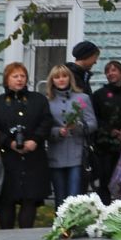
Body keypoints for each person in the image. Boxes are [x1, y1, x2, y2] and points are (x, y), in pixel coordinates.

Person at [0, 62, 53, 229]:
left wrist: (35, 140)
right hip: (7, 158)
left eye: (22, 76)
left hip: (33, 159)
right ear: (7, 79)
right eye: (15, 76)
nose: (19, 79)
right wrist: (9, 142)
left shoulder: (38, 100)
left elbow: (46, 121)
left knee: (29, 200)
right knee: (7, 201)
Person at [45, 62, 98, 207]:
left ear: (70, 78)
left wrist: (77, 127)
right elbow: (44, 127)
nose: (61, 79)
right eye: (57, 77)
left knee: (74, 197)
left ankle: (74, 227)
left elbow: (92, 124)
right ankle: (62, 228)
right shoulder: (47, 101)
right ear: (52, 80)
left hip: (77, 154)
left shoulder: (82, 98)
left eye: (64, 76)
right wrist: (57, 131)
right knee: (60, 197)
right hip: (56, 153)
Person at [91, 59, 121, 199]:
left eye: (114, 70)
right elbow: (95, 117)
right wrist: (110, 130)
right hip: (105, 145)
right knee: (105, 180)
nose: (110, 73)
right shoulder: (99, 95)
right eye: (107, 71)